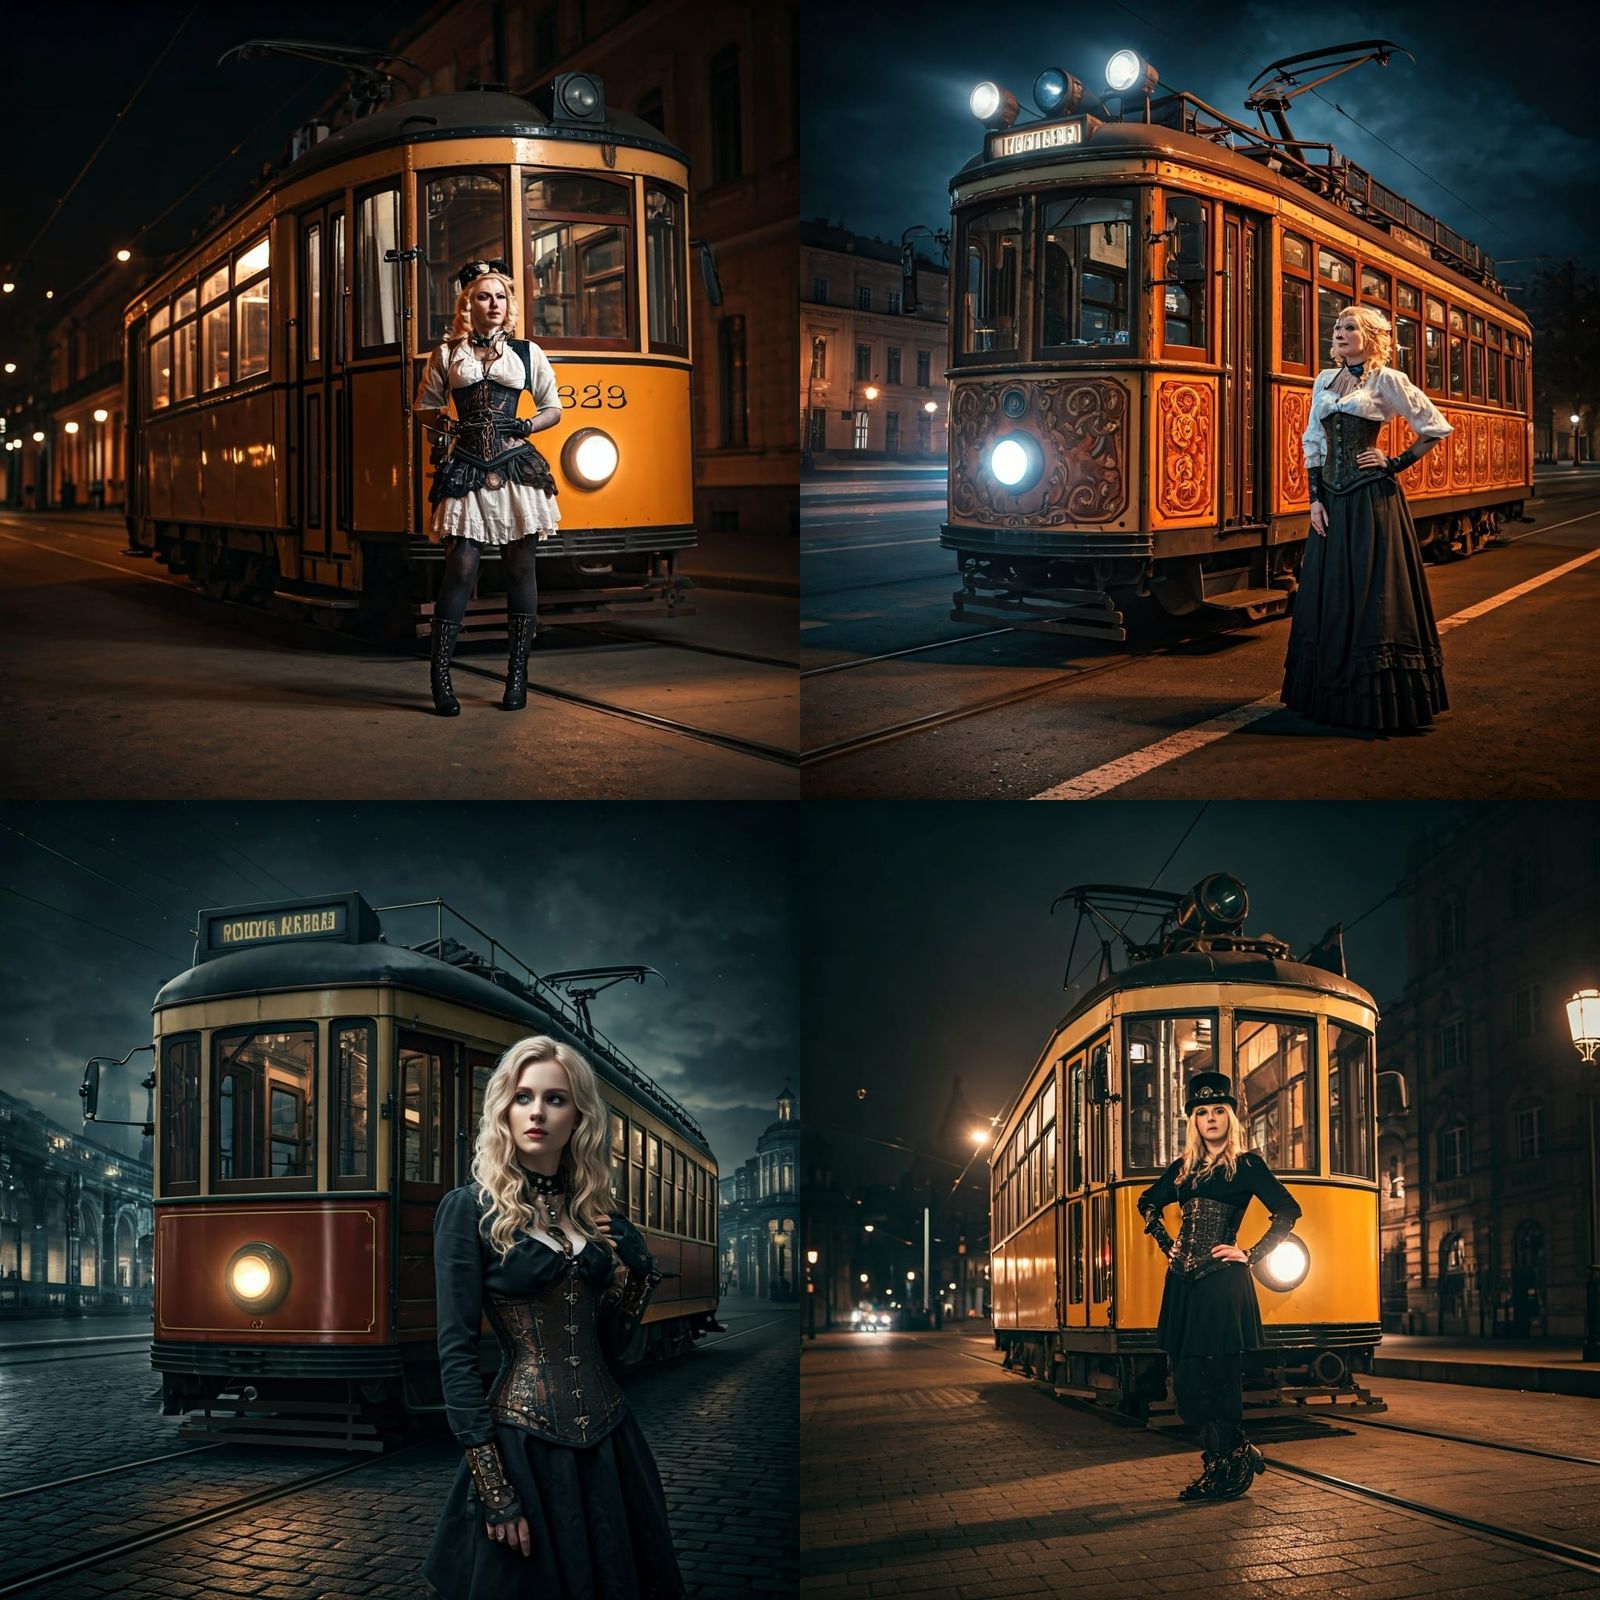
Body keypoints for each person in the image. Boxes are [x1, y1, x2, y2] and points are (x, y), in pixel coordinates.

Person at [423, 1035, 684, 1599]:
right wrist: (494, 1490)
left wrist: (639, 1277)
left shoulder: (595, 1214)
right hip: (524, 1446)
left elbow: (610, 1350)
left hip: (612, 1447)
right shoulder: (470, 1209)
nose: (537, 1111)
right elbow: (457, 1356)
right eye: (523, 1097)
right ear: (504, 1110)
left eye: (555, 1099)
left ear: (579, 1117)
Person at [1282, 304, 1454, 732]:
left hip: (1371, 499)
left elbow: (1434, 427)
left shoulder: (1386, 380)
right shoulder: (1325, 379)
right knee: (1331, 592)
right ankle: (1331, 699)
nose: (1339, 333)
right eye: (1337, 326)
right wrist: (1315, 500)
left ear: (1371, 337)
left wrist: (1392, 462)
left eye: (1350, 327)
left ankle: (1374, 702)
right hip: (1333, 503)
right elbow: (1314, 443)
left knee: (1372, 593)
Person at [1136, 1072, 1302, 1503]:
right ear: (1194, 1120)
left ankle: (1224, 1466)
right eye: (1202, 1112)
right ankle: (1239, 1451)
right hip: (1183, 1285)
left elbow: (1287, 1210)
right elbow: (1147, 1201)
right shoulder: (1183, 1170)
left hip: (1222, 1283)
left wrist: (1251, 1252)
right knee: (1187, 1383)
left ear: (1230, 1117)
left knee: (1219, 1378)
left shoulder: (1246, 1165)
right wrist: (1163, 1240)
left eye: (1218, 1111)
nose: (1210, 1119)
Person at [414, 259, 564, 717]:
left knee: (521, 569)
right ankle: (440, 678)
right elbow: (424, 407)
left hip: (516, 464)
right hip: (466, 464)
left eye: (500, 296)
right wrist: (441, 424)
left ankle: (516, 678)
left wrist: (526, 424)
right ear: (468, 304)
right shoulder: (445, 355)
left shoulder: (527, 352)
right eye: (484, 296)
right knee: (460, 567)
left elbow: (553, 407)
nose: (493, 304)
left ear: (508, 304)